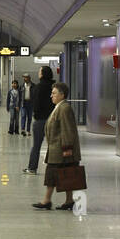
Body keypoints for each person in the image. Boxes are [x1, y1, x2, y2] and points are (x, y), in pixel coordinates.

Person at [33, 81, 81, 210]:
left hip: (61, 149)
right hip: (56, 148)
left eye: (54, 93)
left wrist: (67, 148)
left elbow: (68, 130)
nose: (51, 96)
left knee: (53, 174)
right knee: (66, 174)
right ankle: (68, 200)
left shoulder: (64, 108)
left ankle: (47, 200)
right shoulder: (59, 107)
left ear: (62, 94)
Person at [24, 65, 54, 175]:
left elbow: (35, 104)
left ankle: (32, 168)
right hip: (52, 119)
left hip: (40, 120)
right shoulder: (53, 86)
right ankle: (54, 167)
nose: (38, 73)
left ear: (42, 74)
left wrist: (35, 115)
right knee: (53, 145)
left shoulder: (39, 87)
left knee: (36, 145)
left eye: (39, 71)